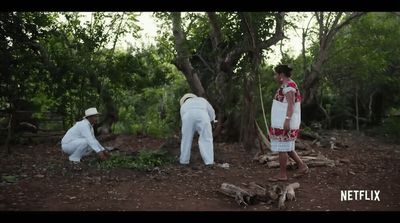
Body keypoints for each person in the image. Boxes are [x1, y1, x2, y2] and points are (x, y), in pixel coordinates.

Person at [268, 64, 309, 181]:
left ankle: (282, 174)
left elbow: (291, 105)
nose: (274, 76)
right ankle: (302, 166)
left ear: (281, 75)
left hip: (284, 122)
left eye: (275, 74)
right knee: (287, 147)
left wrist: (287, 120)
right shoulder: (287, 85)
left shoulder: (288, 86)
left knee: (282, 148)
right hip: (282, 121)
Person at [179, 93, 216, 166]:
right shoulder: (202, 100)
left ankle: (184, 161)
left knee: (186, 139)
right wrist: (212, 120)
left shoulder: (183, 106)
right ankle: (209, 162)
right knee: (206, 138)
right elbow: (211, 112)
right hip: (202, 115)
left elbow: (183, 119)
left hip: (187, 116)